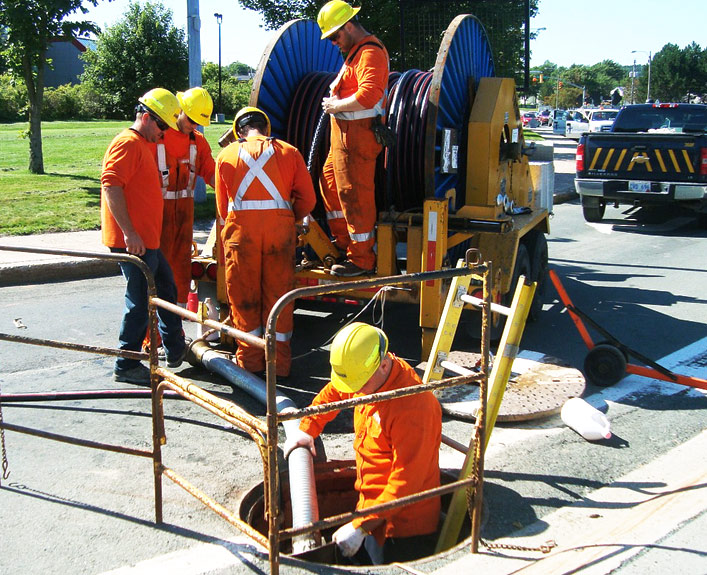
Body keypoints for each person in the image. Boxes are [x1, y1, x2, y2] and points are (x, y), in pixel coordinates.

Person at [284, 322, 442, 564]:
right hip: (370, 512)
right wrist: (307, 428)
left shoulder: (413, 408)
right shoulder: (368, 378)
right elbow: (335, 392)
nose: (354, 392)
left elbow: (407, 482)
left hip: (403, 530)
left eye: (359, 387)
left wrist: (361, 526)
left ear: (384, 365)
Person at [215, 107, 316, 378]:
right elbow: (308, 199)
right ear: (266, 128)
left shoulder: (226, 155)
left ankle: (250, 365)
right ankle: (279, 366)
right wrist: (286, 219)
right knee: (279, 300)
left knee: (244, 300)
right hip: (279, 237)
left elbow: (223, 209)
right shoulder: (289, 152)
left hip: (241, 238)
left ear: (238, 131)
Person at [101, 88, 188, 385]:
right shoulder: (127, 143)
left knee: (166, 288)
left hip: (145, 240)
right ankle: (126, 364)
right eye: (162, 126)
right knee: (139, 301)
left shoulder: (141, 143)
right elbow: (111, 186)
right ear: (146, 117)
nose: (163, 134)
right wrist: (130, 233)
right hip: (134, 242)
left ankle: (174, 349)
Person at [317, 0, 389, 277]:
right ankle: (346, 247)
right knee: (331, 185)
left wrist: (336, 106)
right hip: (343, 140)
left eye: (335, 36)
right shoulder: (355, 54)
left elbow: (370, 94)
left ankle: (361, 259)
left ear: (349, 26)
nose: (334, 43)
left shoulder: (370, 53)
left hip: (357, 141)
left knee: (354, 196)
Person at [153, 86, 216, 307]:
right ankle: (150, 336)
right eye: (190, 119)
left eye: (197, 122)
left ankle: (175, 325)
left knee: (180, 269)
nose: (193, 125)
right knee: (153, 274)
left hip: (183, 220)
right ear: (178, 110)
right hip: (156, 219)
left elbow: (212, 174)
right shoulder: (157, 137)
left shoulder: (197, 142)